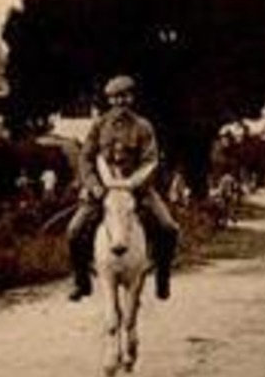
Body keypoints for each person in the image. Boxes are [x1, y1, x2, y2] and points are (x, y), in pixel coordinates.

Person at [66, 75, 181, 302]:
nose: (121, 102)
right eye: (115, 98)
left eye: (125, 96)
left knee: (168, 228)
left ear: (132, 97)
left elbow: (151, 161)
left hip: (137, 190)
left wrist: (137, 185)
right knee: (74, 231)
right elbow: (86, 159)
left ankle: (162, 276)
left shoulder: (143, 127)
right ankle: (82, 281)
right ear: (109, 100)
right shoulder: (99, 126)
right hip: (103, 192)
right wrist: (94, 186)